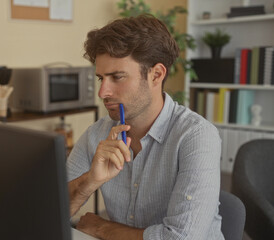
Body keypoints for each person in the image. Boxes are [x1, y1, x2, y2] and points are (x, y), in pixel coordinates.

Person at [66, 14, 224, 240]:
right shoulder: (97, 134)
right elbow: (48, 212)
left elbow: (180, 238)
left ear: (156, 74)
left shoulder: (197, 136)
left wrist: (102, 228)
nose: (103, 93)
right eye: (101, 78)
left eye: (117, 77)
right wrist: (90, 180)